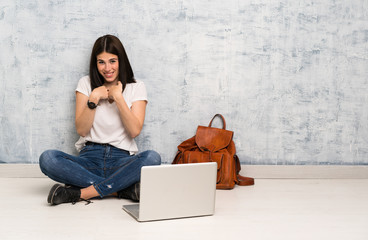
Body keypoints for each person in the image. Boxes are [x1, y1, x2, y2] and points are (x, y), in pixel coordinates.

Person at [39, 34, 161, 205]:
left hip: (121, 160)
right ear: (95, 64)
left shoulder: (136, 87)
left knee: (153, 158)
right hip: (89, 159)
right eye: (101, 62)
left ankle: (80, 193)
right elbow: (82, 130)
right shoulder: (86, 84)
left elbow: (134, 131)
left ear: (121, 61)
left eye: (112, 61)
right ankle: (121, 190)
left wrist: (119, 98)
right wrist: (94, 98)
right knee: (48, 159)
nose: (107, 68)